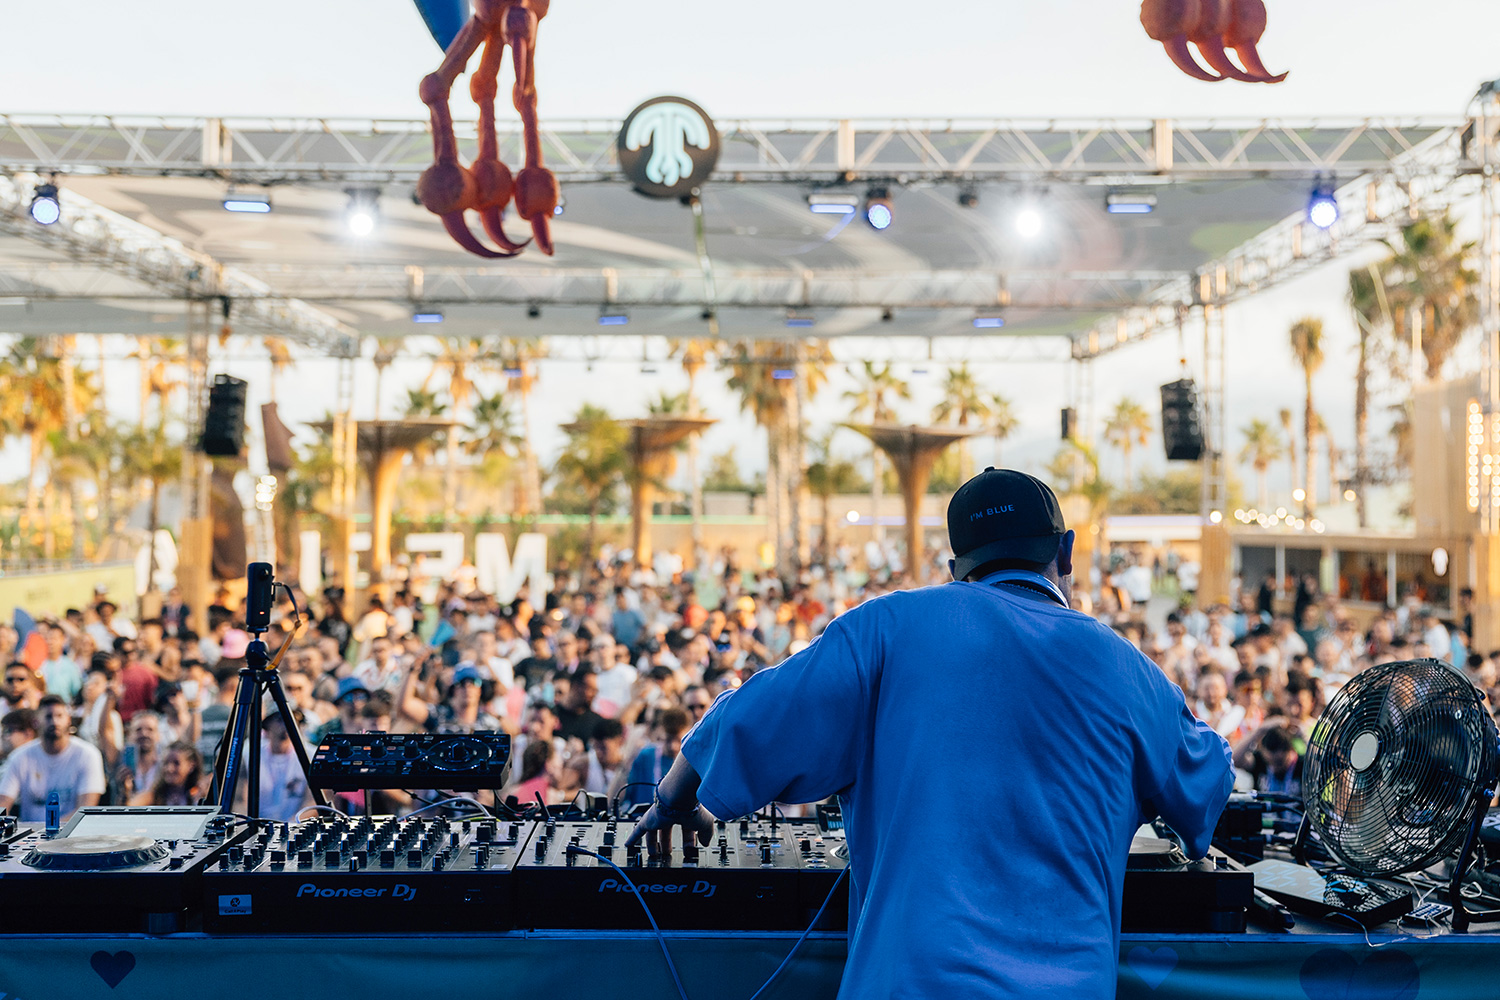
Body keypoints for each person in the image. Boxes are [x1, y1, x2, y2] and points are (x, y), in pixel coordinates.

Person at [628, 468, 1232, 999]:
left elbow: (743, 716)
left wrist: (674, 800)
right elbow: (1208, 783)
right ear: (1066, 552)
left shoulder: (886, 629)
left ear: (955, 569)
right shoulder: (1127, 670)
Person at [0, 695, 107, 822]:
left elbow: (86, 809)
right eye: (48, 716)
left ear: (68, 720)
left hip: (73, 831)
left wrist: (49, 828)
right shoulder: (19, 757)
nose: (54, 722)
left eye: (59, 716)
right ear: (36, 722)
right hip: (30, 831)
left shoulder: (88, 754)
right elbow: (3, 803)